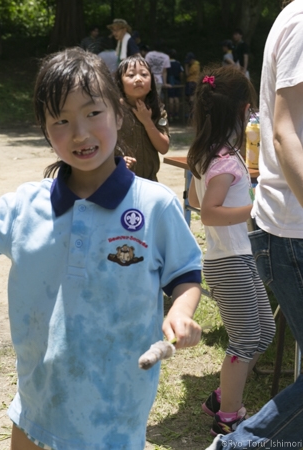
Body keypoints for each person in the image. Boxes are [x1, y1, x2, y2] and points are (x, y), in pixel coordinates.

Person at [0, 47, 203, 450]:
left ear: (119, 113)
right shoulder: (28, 206)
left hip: (115, 408)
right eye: (61, 121)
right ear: (46, 132)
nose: (80, 133)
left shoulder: (153, 205)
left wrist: (181, 313)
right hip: (37, 402)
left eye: (92, 113)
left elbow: (185, 275)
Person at [206, 1, 303, 448]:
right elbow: (284, 132)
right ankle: (231, 431)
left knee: (261, 334)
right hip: (265, 243)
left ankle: (228, 422)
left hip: (263, 241)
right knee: (251, 336)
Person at [186, 66, 275, 437]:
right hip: (231, 261)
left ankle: (224, 394)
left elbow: (193, 198)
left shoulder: (210, 153)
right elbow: (207, 211)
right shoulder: (223, 158)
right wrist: (256, 209)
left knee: (265, 332)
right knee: (243, 340)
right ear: (243, 109)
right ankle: (229, 417)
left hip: (238, 257)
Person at [115, 54, 170, 181]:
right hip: (118, 179)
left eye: (144, 75)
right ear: (120, 83)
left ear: (151, 83)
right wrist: (115, 161)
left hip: (149, 182)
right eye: (131, 75)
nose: (138, 79)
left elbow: (163, 148)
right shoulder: (112, 111)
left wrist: (147, 121)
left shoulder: (158, 110)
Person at [167, 49, 185, 122]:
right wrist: (180, 80)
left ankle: (170, 114)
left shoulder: (167, 63)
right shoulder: (178, 63)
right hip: (177, 81)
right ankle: (176, 114)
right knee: (176, 98)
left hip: (169, 82)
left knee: (171, 98)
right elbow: (181, 73)